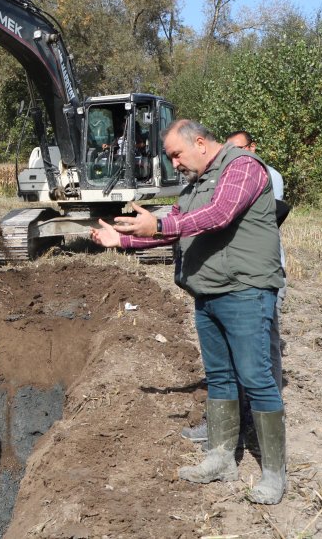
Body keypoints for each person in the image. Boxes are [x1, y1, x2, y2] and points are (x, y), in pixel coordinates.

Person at [90, 119, 287, 505]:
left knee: (256, 377)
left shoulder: (242, 168)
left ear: (200, 142)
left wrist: (158, 221)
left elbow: (218, 215)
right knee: (219, 377)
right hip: (208, 292)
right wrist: (124, 239)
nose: (174, 164)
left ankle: (274, 474)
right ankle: (220, 458)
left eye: (176, 154)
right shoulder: (195, 183)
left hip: (245, 291)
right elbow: (173, 228)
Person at [182, 130, 287, 445]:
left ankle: (257, 423)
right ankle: (233, 430)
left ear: (252, 148)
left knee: (259, 360)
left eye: (238, 149)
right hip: (226, 279)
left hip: (255, 278)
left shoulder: (260, 172)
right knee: (225, 368)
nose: (231, 156)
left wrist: (163, 226)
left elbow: (221, 214)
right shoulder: (216, 176)